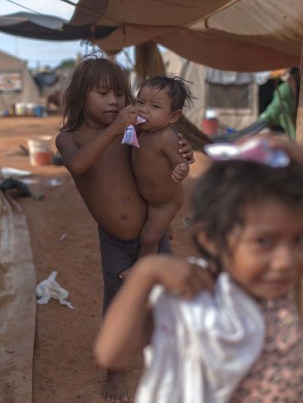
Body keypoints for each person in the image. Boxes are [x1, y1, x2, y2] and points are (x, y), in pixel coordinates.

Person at [95, 135, 303, 402]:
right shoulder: (194, 290)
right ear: (210, 239)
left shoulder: (271, 279)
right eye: (264, 241)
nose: (286, 260)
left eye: (299, 238)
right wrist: (146, 272)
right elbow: (111, 354)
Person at [55, 54, 194, 402]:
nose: (115, 102)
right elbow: (79, 164)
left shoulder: (132, 131)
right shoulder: (69, 139)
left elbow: (150, 163)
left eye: (119, 94)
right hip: (117, 242)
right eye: (103, 94)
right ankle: (115, 372)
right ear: (80, 96)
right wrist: (116, 129)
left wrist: (180, 150)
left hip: (151, 230)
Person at [131, 75, 193, 261]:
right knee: (153, 226)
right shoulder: (139, 130)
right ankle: (164, 227)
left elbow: (181, 162)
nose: (144, 110)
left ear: (173, 116)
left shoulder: (166, 137)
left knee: (148, 238)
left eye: (155, 106)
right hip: (148, 199)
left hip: (164, 203)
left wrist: (181, 169)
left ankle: (142, 268)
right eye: (140, 102)